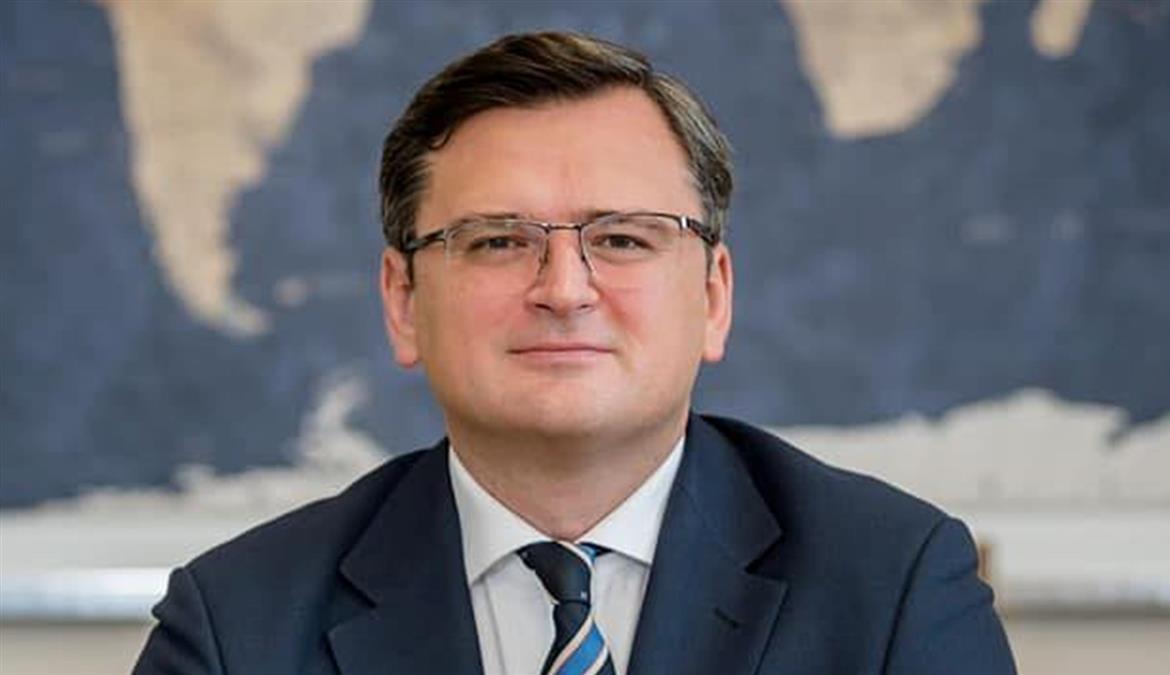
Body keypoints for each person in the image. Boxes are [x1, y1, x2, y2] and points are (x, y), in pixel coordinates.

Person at [133, 32, 1016, 675]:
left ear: (714, 296)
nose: (564, 289)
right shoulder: (238, 626)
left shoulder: (890, 588)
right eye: (497, 241)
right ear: (403, 301)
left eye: (624, 239)